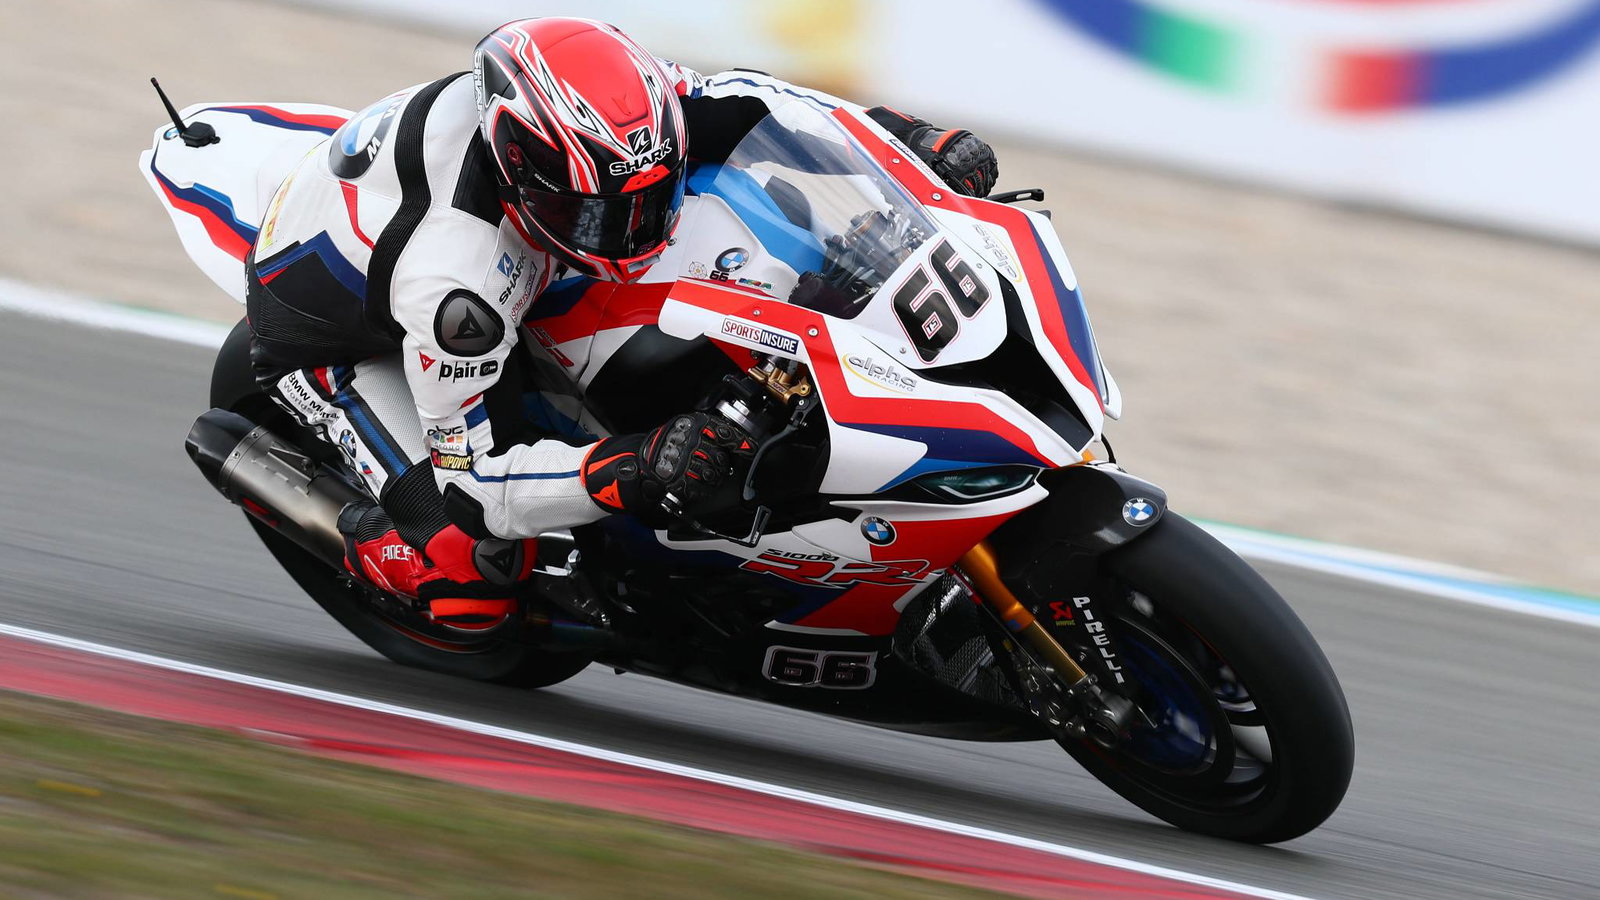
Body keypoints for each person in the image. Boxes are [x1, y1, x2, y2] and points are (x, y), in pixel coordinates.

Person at [246, 17, 999, 627]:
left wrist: (909, 142)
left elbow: (763, 105)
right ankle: (374, 540)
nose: (636, 232)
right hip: (340, 334)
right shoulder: (455, 286)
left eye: (648, 201)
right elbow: (479, 486)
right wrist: (636, 464)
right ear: (522, 174)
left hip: (505, 255)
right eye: (601, 215)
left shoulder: (618, 109)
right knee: (470, 571)